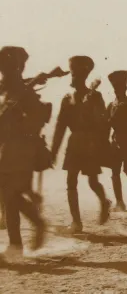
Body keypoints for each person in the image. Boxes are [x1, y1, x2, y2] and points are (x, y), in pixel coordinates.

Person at [51, 55, 111, 234]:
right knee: (71, 180)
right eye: (73, 74)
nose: (74, 78)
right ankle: (76, 222)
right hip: (74, 142)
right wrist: (54, 151)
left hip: (91, 143)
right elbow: (60, 126)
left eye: (77, 75)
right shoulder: (67, 98)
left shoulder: (95, 96)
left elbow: (103, 122)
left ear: (85, 76)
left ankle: (104, 201)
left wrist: (101, 144)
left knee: (93, 181)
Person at [0, 46, 48, 256]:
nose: (2, 71)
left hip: (21, 150)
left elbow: (37, 121)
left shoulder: (24, 92)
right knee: (8, 198)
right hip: (7, 149)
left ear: (16, 68)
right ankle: (15, 245)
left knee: (9, 195)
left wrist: (17, 121)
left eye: (6, 67)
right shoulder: (10, 89)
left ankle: (36, 225)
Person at [106, 70, 127, 211]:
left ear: (125, 88)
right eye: (115, 88)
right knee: (114, 172)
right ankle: (119, 202)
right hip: (115, 141)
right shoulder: (111, 104)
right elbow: (107, 124)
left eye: (119, 88)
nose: (117, 91)